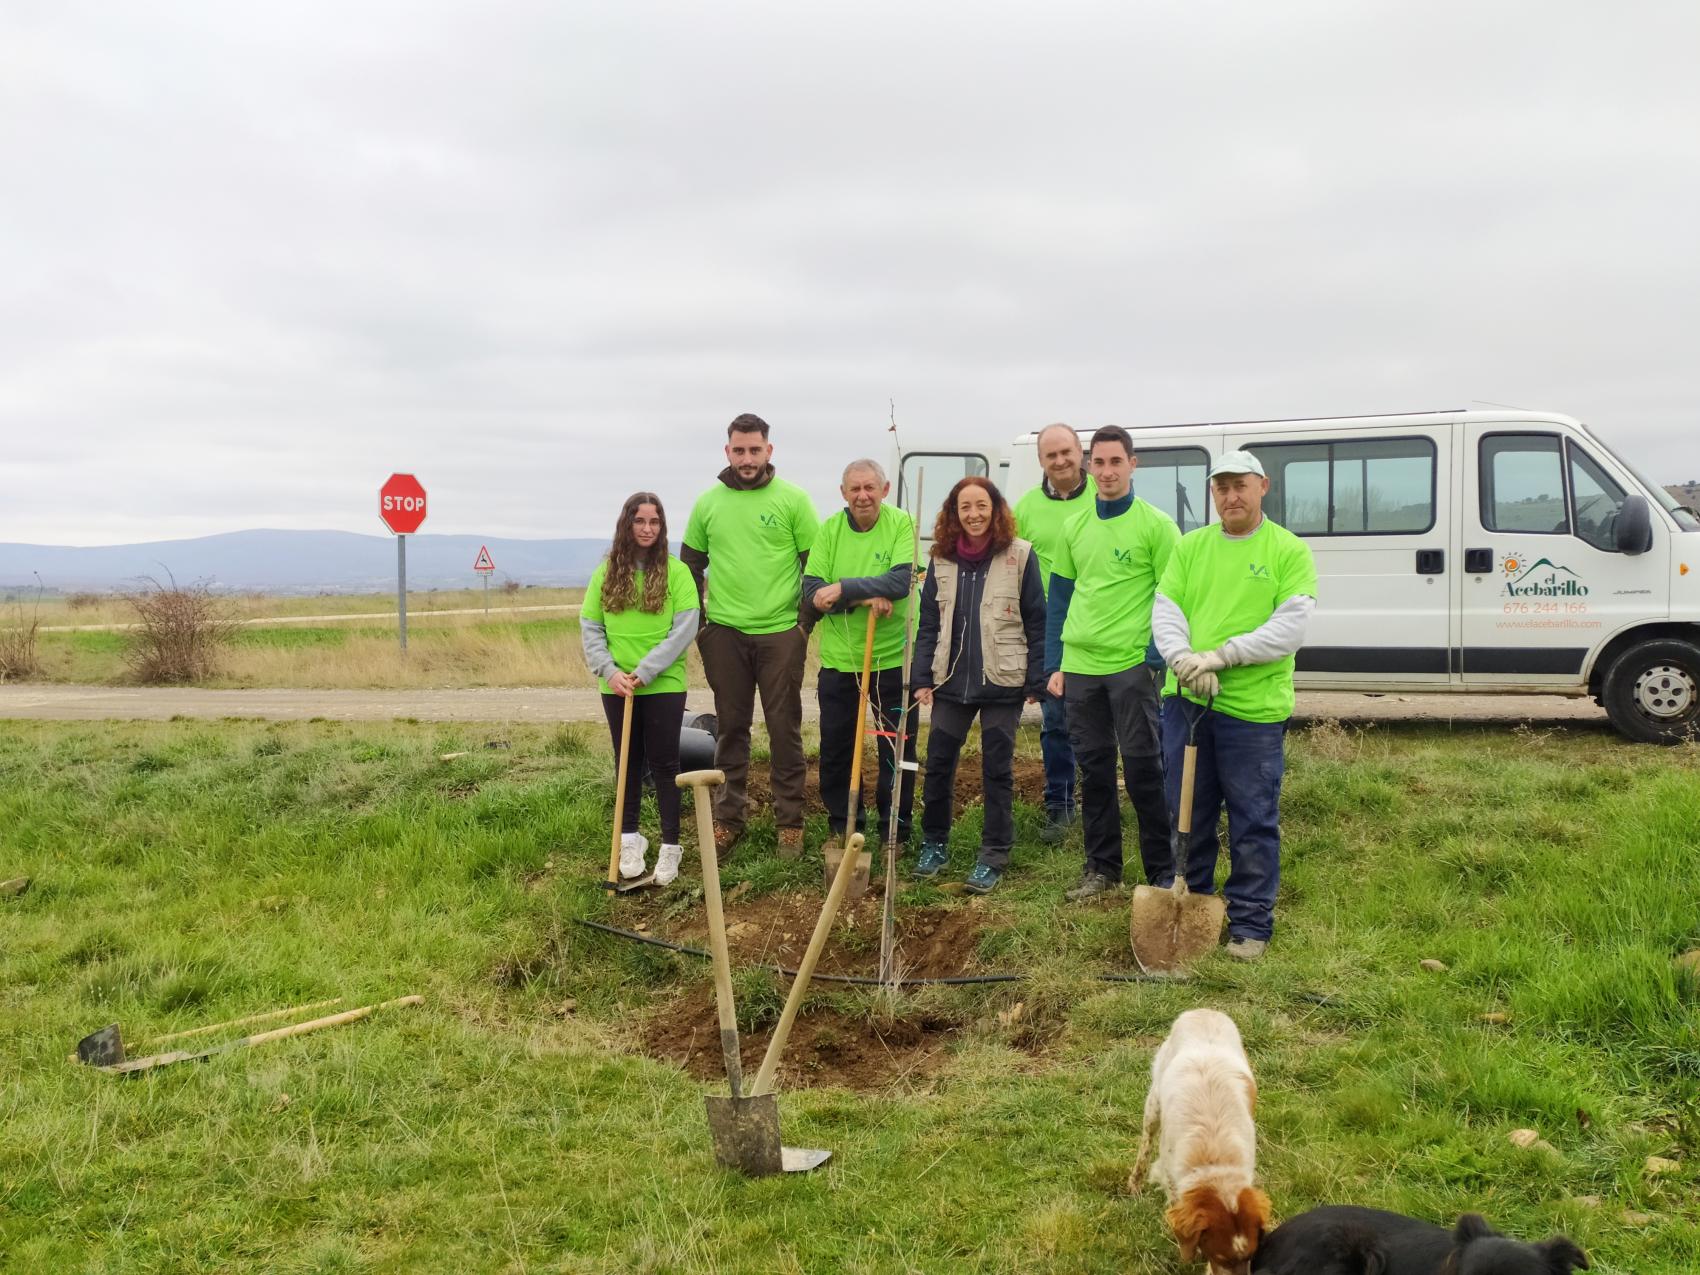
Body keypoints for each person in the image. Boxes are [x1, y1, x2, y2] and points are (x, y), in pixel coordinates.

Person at [1151, 450, 1317, 961]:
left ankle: (1249, 924)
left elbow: (1289, 628)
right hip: (1187, 705)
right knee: (1188, 814)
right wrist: (1181, 659)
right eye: (1221, 487)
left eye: (1240, 485)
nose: (1231, 496)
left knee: (1252, 818)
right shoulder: (1191, 548)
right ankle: (1194, 903)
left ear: (1262, 486)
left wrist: (1220, 658)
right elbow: (1167, 610)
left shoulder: (1287, 550)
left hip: (1254, 713)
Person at [1046, 425, 1181, 902]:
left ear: (1132, 464)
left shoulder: (1157, 525)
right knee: (1094, 770)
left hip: (1131, 669)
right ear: (1088, 465)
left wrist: (1153, 658)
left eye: (1115, 462)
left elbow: (1173, 597)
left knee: (1145, 769)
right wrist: (1054, 663)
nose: (1106, 472)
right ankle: (1102, 869)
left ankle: (1162, 871)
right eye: (1098, 463)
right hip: (1081, 668)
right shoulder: (1074, 527)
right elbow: (1059, 598)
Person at [681, 414, 820, 855]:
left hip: (781, 634)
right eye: (738, 450)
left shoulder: (794, 500)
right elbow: (688, 567)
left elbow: (813, 567)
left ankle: (790, 822)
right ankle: (728, 818)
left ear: (768, 451)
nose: (746, 458)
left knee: (784, 729)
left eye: (754, 450)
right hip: (725, 634)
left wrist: (802, 626)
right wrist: (703, 627)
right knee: (731, 730)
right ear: (727, 452)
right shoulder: (707, 504)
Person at [910, 476, 1046, 894]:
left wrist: (1034, 678)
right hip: (951, 681)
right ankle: (934, 843)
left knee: (997, 769)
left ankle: (993, 854)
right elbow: (929, 624)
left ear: (995, 509)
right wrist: (921, 679)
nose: (973, 514)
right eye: (964, 507)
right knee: (938, 765)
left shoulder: (1019, 556)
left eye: (981, 506)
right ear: (954, 513)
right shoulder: (941, 559)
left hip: (1002, 680)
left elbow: (1037, 619)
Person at [580, 492, 700, 886]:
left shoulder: (677, 572)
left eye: (654, 522)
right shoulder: (606, 572)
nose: (647, 529)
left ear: (662, 527)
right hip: (616, 685)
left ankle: (670, 846)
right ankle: (630, 838)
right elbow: (591, 626)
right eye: (640, 521)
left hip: (662, 682)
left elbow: (684, 628)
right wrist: (610, 670)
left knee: (666, 763)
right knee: (627, 760)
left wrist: (646, 671)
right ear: (627, 524)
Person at [803, 459, 919, 850]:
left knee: (895, 748)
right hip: (840, 662)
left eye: (870, 488)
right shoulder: (831, 530)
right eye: (855, 489)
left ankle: (895, 829)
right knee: (836, 748)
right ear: (843, 493)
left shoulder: (900, 523)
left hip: (893, 661)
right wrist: (863, 595)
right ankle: (843, 823)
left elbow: (901, 580)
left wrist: (844, 587)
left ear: (884, 491)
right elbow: (814, 590)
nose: (862, 496)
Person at [1012, 423, 1095, 843]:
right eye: (1051, 455)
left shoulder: (1106, 498)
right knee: (1056, 723)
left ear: (1081, 452)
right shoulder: (1025, 508)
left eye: (1067, 452)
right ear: (1041, 461)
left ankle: (1109, 805)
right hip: (1050, 632)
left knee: (1111, 725)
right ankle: (1060, 807)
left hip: (1101, 627)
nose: (1060, 461)